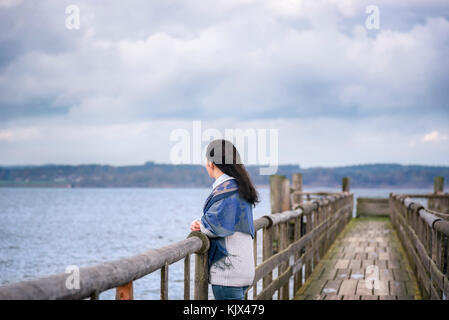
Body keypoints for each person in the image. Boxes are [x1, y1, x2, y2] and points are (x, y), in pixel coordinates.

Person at [190, 139, 259, 300]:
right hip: (244, 268)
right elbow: (227, 219)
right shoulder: (241, 186)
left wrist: (201, 225)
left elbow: (215, 225)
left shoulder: (227, 190)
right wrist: (203, 224)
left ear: (211, 163)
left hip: (228, 272)